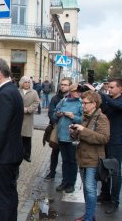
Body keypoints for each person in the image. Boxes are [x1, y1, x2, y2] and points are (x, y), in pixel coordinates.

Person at [0, 58, 24, 221]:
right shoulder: (11, 90)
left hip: (2, 157)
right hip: (10, 154)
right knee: (9, 196)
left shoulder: (5, 94)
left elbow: (1, 129)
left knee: (2, 200)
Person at [71, 90, 110, 221]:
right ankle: (89, 215)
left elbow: (104, 138)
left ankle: (88, 218)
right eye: (82, 103)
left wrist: (84, 130)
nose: (83, 105)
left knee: (90, 189)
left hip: (94, 158)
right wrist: (74, 132)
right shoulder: (85, 116)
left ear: (94, 103)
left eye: (85, 103)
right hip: (82, 158)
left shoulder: (101, 117)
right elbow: (81, 136)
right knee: (87, 190)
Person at [88, 78, 122, 214]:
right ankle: (105, 194)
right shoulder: (108, 98)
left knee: (115, 171)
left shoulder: (118, 101)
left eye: (112, 87)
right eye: (108, 87)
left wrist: (98, 92)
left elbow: (116, 106)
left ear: (120, 88)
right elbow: (103, 107)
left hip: (117, 141)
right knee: (103, 167)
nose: (109, 89)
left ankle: (115, 201)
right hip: (105, 138)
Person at [52, 83, 83, 193]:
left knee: (72, 161)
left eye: (80, 91)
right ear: (70, 91)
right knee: (65, 161)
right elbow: (54, 114)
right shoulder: (64, 101)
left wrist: (73, 116)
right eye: (76, 91)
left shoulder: (81, 103)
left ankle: (71, 183)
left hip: (73, 137)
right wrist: (59, 114)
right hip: (61, 135)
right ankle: (64, 182)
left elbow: (84, 119)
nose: (79, 93)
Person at [44, 78, 71, 181]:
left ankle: (66, 177)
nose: (63, 86)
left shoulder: (73, 98)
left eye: (65, 85)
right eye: (62, 84)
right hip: (56, 128)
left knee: (67, 155)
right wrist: (56, 119)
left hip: (68, 130)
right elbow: (51, 113)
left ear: (69, 86)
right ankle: (51, 173)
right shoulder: (55, 98)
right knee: (55, 151)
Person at [18, 76, 40, 163]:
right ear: (21, 83)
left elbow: (37, 102)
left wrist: (28, 109)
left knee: (27, 137)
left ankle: (27, 155)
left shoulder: (34, 92)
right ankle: (19, 154)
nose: (27, 84)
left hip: (28, 117)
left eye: (28, 82)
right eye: (25, 82)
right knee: (19, 137)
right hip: (18, 117)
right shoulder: (17, 91)